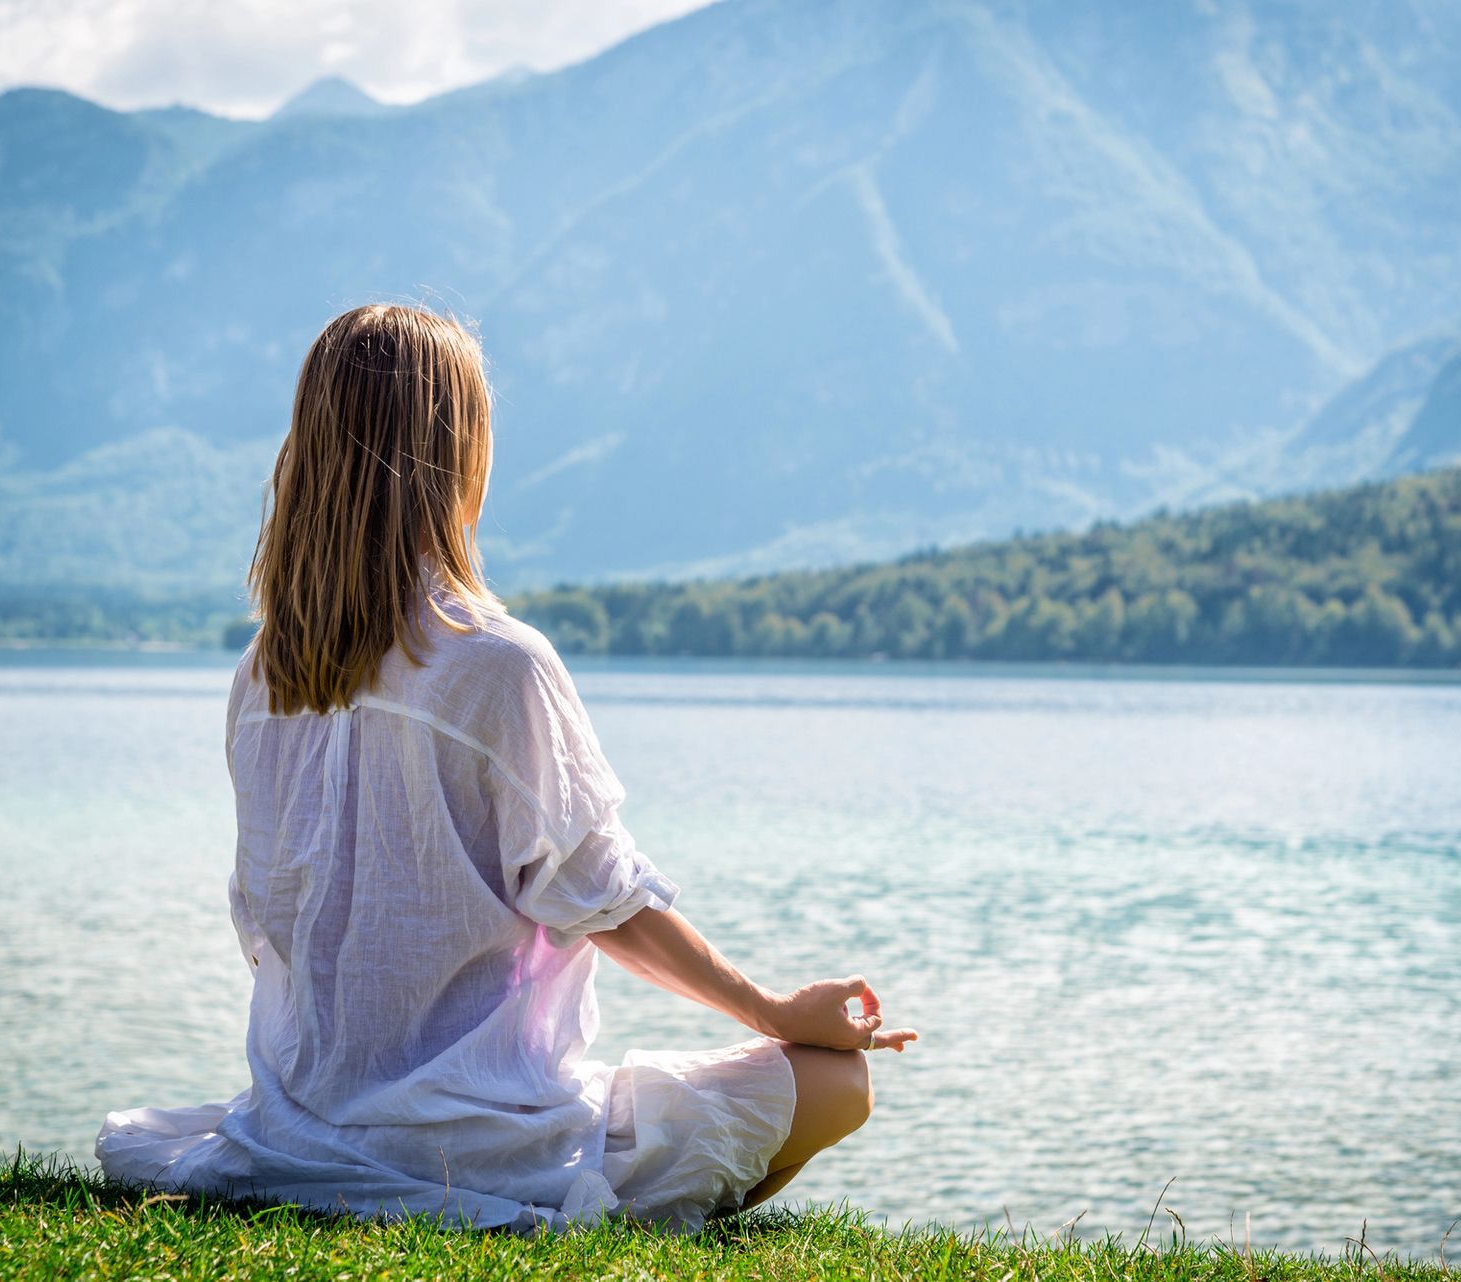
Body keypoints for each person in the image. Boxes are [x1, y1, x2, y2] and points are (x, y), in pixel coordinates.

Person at [94, 303, 916, 1233]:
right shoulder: (499, 663)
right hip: (484, 1139)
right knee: (839, 1084)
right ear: (459, 460)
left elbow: (264, 925)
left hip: (301, 1125)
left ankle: (520, 1180)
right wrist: (773, 1011)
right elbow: (605, 900)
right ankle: (605, 1212)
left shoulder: (264, 674)